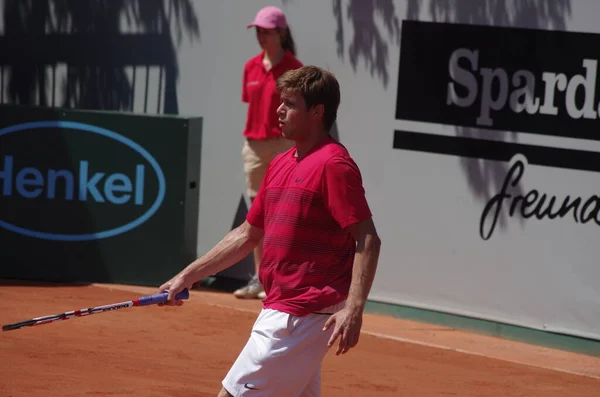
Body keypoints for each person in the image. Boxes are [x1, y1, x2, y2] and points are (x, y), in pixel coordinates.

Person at [158, 66, 382, 397]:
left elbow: (367, 238)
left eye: (290, 104)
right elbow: (247, 235)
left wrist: (354, 308)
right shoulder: (281, 163)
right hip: (282, 307)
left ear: (317, 112)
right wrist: (187, 276)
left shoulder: (333, 165)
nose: (279, 110)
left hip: (301, 314)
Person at [233, 5, 304, 300]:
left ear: (280, 32)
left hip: (283, 145)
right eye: (258, 31)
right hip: (253, 146)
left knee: (283, 213)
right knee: (257, 214)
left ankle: (280, 279)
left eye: (266, 31)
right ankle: (260, 279)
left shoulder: (295, 68)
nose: (261, 36)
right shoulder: (250, 67)